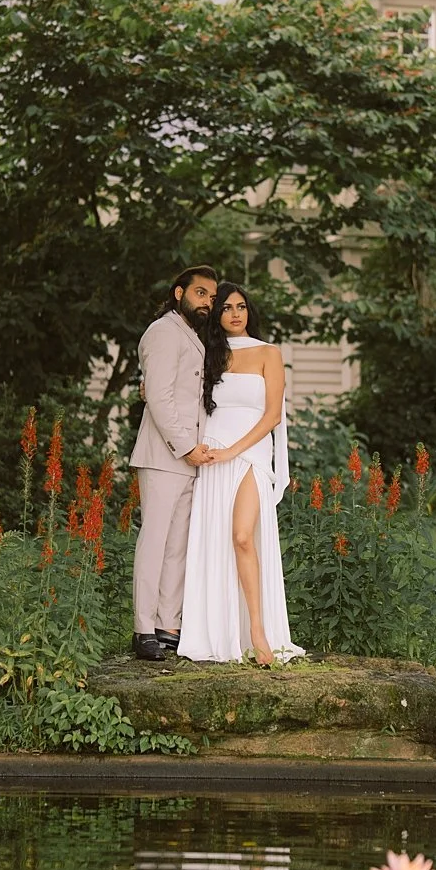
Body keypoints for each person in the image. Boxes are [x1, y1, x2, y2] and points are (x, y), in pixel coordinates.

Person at [178, 282, 302, 667]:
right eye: (227, 307)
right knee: (217, 541)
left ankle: (258, 631)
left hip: (249, 453)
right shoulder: (208, 355)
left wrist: (235, 450)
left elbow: (272, 415)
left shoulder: (269, 353)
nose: (235, 313)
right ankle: (218, 631)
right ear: (217, 316)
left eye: (241, 306)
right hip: (213, 455)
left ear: (249, 312)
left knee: (243, 536)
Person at [129, 266, 218, 662]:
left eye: (211, 298)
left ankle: (168, 624)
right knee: (155, 542)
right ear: (179, 292)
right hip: (165, 455)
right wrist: (186, 447)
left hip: (187, 458)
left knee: (177, 547)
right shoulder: (163, 331)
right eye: (200, 294)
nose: (207, 303)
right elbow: (160, 398)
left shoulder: (193, 337)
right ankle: (143, 628)